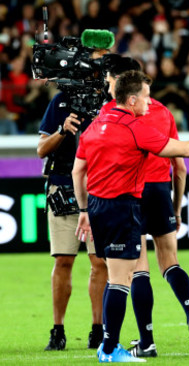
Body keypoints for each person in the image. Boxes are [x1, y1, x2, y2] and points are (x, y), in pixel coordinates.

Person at [72, 70, 189, 363]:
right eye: (146, 96)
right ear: (131, 99)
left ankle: (127, 344)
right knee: (122, 279)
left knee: (119, 277)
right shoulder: (135, 127)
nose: (150, 102)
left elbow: (77, 171)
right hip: (125, 207)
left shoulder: (95, 124)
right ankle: (110, 350)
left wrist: (83, 210)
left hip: (97, 207)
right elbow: (181, 152)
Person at [99, 57, 189, 358]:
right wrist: (176, 208)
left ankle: (146, 341)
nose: (107, 83)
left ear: (122, 81)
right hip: (161, 189)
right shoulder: (162, 111)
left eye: (110, 78)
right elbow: (181, 167)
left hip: (130, 191)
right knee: (170, 261)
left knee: (139, 269)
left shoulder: (112, 113)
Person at [37, 47, 109, 352]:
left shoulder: (109, 105)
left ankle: (98, 329)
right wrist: (63, 130)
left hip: (101, 187)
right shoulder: (61, 102)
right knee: (64, 260)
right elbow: (42, 149)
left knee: (99, 261)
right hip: (63, 183)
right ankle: (58, 329)